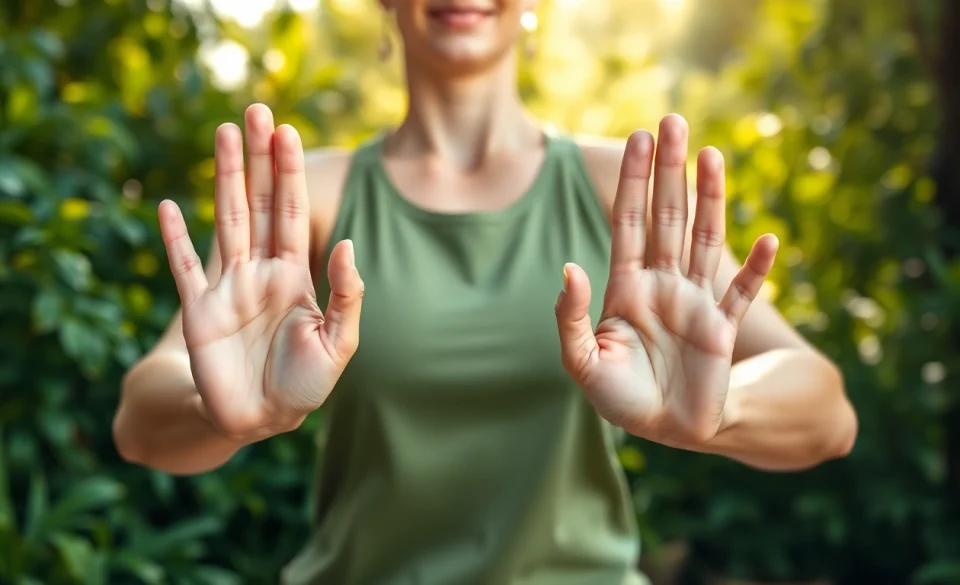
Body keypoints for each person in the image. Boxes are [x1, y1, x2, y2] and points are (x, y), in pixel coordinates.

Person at [112, 1, 858, 583]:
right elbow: (142, 417)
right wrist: (220, 413)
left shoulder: (617, 193)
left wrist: (724, 411)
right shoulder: (312, 199)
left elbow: (828, 408)